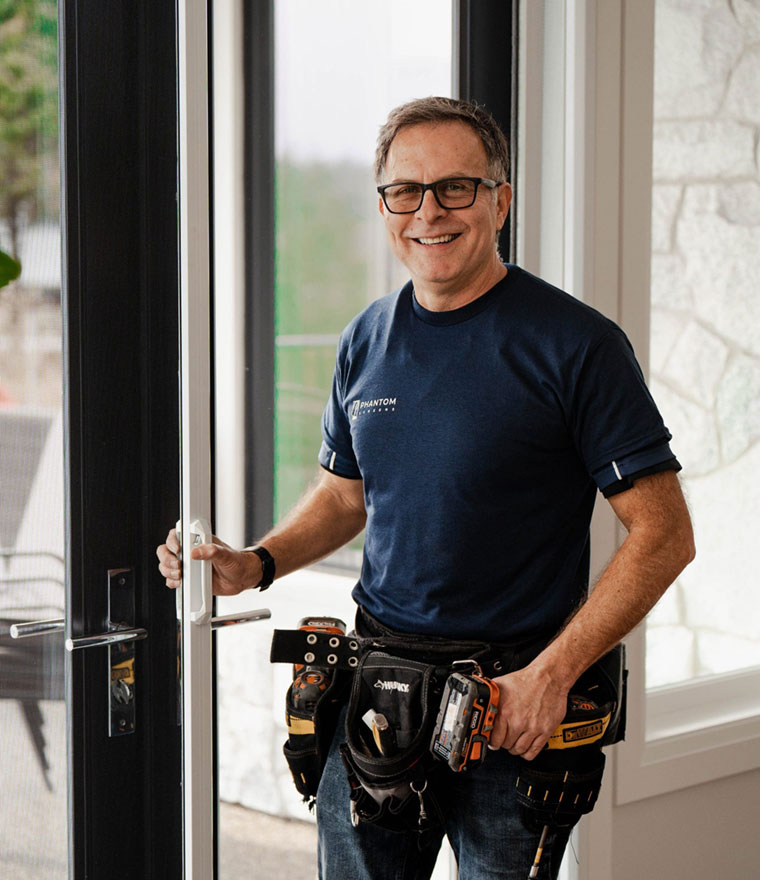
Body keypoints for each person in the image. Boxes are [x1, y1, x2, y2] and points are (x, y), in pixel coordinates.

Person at [157, 97, 695, 879]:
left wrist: (554, 673)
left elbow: (665, 532)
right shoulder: (366, 339)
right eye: (404, 191)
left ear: (500, 199)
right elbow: (347, 495)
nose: (428, 212)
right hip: (378, 703)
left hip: (514, 712)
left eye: (456, 187)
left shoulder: (577, 345)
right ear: (383, 206)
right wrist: (256, 562)